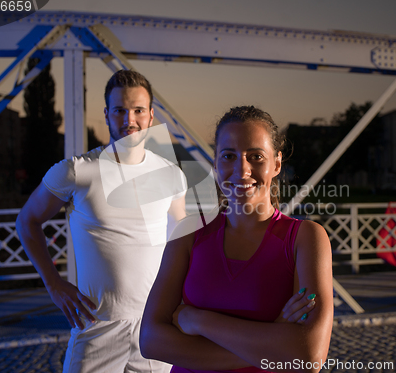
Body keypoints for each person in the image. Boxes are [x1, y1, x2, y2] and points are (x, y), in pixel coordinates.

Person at [140, 106, 333, 373]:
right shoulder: (188, 233)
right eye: (229, 156)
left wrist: (197, 320)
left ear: (276, 164)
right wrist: (272, 341)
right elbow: (150, 341)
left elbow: (308, 357)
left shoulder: (304, 238)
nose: (242, 170)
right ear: (216, 164)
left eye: (256, 156)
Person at [16, 70, 187, 373]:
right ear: (107, 115)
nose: (129, 119)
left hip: (155, 324)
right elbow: (27, 221)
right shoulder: (77, 172)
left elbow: (182, 244)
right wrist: (53, 283)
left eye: (137, 110)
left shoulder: (172, 176)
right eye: (120, 110)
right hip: (96, 326)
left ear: (150, 116)